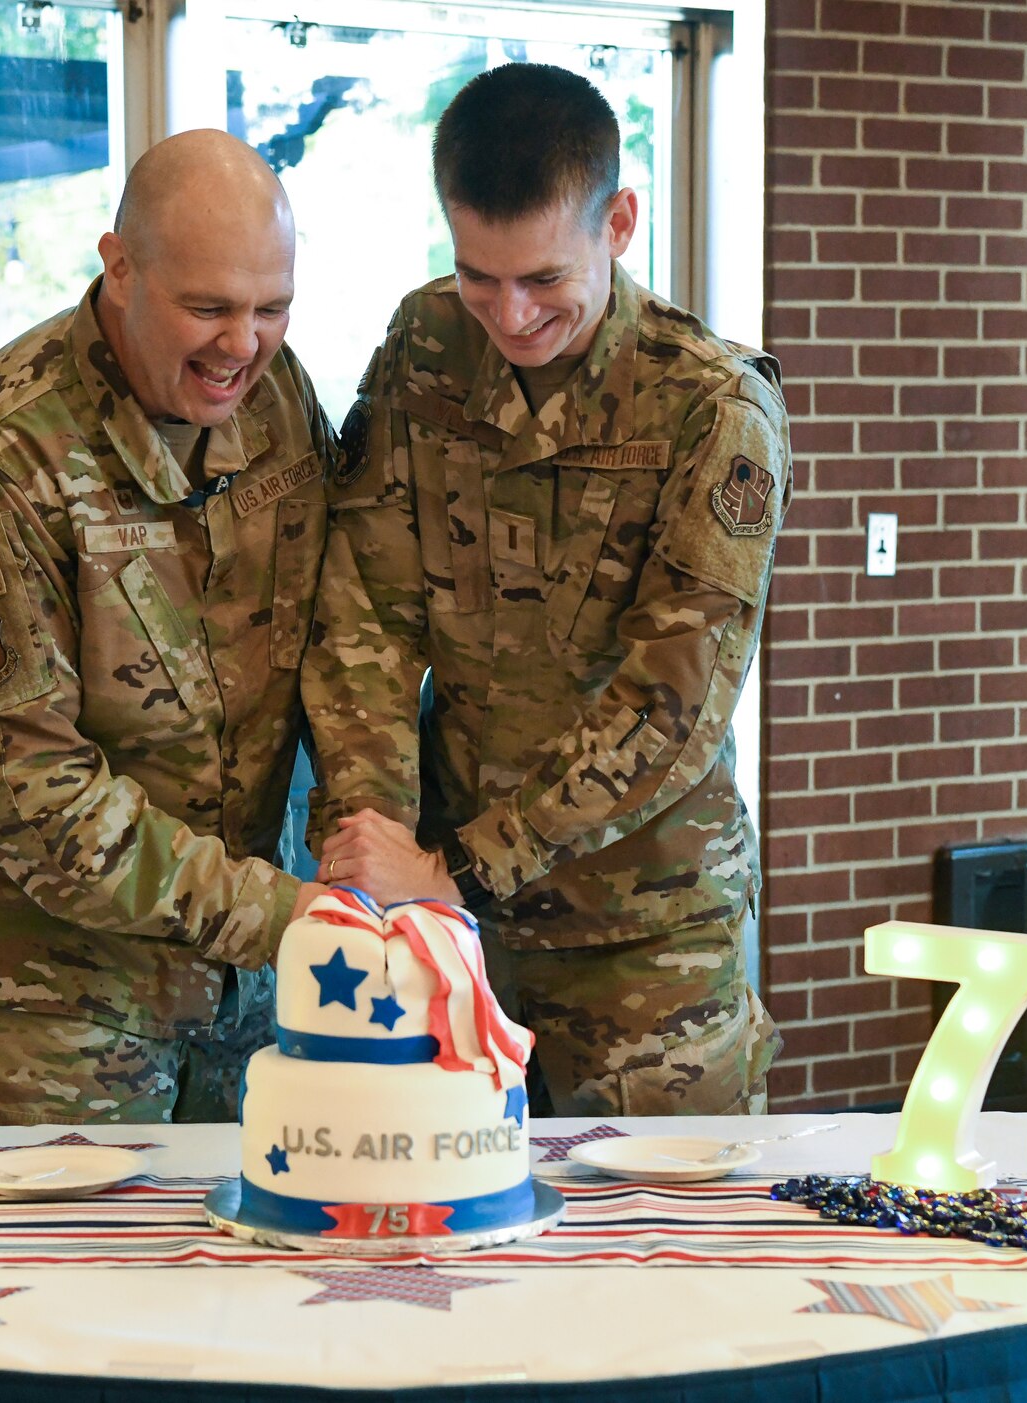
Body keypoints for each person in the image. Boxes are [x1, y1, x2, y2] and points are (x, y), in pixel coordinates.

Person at [307, 64, 785, 1116]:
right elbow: (362, 612)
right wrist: (372, 845)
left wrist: (455, 869)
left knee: (657, 1259)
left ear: (617, 221)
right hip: (442, 929)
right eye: (478, 274)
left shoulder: (709, 406)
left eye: (541, 279)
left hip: (642, 945)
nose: (508, 315)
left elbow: (671, 707)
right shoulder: (425, 346)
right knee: (438, 1242)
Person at [0, 131, 333, 1127]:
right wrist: (290, 916)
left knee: (249, 1267)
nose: (240, 345)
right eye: (206, 307)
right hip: (38, 986)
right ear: (118, 264)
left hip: (239, 969)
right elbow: (27, 796)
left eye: (270, 308)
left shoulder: (277, 398)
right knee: (64, 1277)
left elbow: (343, 626)